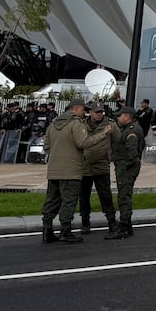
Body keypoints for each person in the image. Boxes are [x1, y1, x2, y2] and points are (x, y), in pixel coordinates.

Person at [41, 99, 110, 244]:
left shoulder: (53, 124)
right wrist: (103, 134)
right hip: (71, 169)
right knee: (69, 200)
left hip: (54, 169)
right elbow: (83, 143)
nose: (84, 113)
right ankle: (65, 231)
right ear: (76, 109)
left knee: (52, 200)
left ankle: (47, 230)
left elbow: (46, 146)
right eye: (83, 110)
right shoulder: (76, 123)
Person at [79, 102, 119, 235]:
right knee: (83, 196)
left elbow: (117, 141)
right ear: (90, 112)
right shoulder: (81, 124)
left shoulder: (110, 124)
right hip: (85, 165)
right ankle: (85, 222)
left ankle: (112, 222)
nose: (100, 114)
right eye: (97, 112)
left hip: (102, 165)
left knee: (105, 195)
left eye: (101, 112)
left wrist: (111, 157)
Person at [107, 107, 144, 240]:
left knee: (124, 197)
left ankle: (123, 227)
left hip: (126, 167)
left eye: (120, 116)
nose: (118, 118)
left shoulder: (131, 131)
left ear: (127, 117)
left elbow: (132, 153)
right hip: (125, 166)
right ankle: (127, 226)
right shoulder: (129, 128)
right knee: (124, 195)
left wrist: (124, 166)